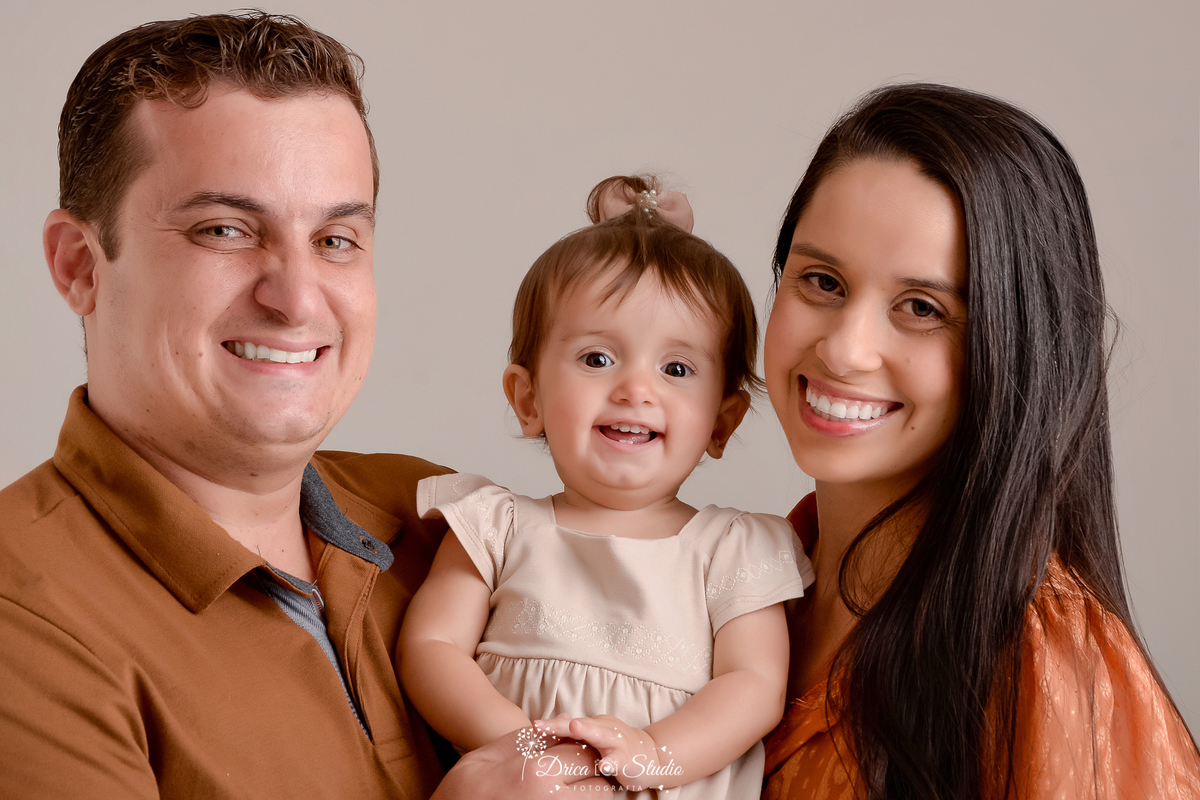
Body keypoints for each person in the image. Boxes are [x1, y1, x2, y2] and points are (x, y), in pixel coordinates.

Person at [0, 12, 607, 799]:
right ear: (80, 264)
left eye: (335, 240)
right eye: (224, 229)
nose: (294, 299)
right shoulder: (24, 618)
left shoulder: (445, 523)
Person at [758, 83, 1200, 799]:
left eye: (922, 308)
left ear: (1016, 347)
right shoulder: (737, 586)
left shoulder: (1044, 655)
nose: (844, 349)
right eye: (823, 281)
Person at [399, 175, 814, 796]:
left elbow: (752, 689)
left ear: (720, 423)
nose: (636, 389)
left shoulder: (735, 548)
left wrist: (653, 754)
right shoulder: (495, 526)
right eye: (598, 359)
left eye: (677, 368)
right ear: (528, 397)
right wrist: (527, 748)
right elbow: (430, 647)